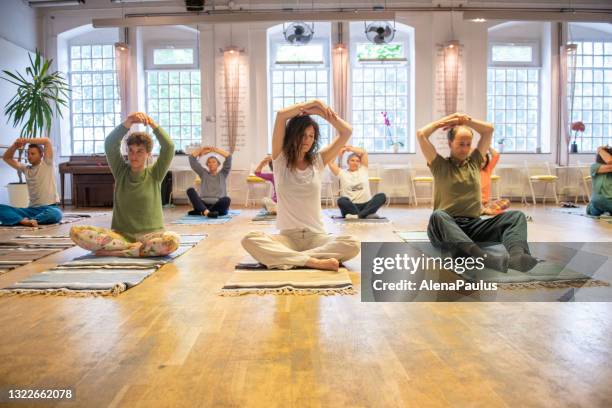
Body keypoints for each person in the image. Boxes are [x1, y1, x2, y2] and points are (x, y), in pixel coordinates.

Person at [241, 100, 360, 271]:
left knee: (352, 243)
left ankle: (293, 260)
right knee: (250, 239)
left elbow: (346, 131)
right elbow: (281, 115)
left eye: (311, 136)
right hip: (288, 238)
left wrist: (320, 114)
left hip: (316, 237)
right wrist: (314, 103)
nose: (307, 140)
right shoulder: (280, 160)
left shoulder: (318, 161)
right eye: (303, 135)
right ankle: (314, 262)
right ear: (293, 134)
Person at [417, 112, 537, 273]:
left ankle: (517, 256)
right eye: (460, 143)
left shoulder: (474, 162)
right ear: (450, 143)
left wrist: (467, 121)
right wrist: (443, 122)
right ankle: (481, 257)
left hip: (473, 226)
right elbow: (421, 134)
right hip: (446, 230)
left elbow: (488, 130)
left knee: (516, 217)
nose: (465, 148)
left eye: (468, 144)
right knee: (438, 215)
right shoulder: (439, 165)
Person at [70, 112, 180, 257]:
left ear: (148, 154)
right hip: (121, 237)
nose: (134, 156)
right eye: (131, 151)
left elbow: (169, 147)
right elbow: (110, 144)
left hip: (151, 236)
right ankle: (134, 250)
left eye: (140, 152)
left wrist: (153, 124)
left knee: (172, 241)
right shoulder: (121, 171)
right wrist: (128, 122)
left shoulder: (155, 174)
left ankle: (122, 252)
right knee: (77, 233)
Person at [1, 137, 62, 227]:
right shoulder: (26, 169)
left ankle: (28, 220)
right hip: (31, 210)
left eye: (33, 153)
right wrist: (15, 146)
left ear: (41, 155)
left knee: (56, 214)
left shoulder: (47, 164)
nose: (29, 156)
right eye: (28, 154)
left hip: (50, 207)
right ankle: (25, 221)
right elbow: (7, 158)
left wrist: (25, 140)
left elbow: (46, 141)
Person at [328, 145, 386, 219]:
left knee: (381, 196)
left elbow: (364, 152)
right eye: (352, 160)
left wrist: (350, 149)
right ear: (348, 162)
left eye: (357, 161)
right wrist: (338, 153)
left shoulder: (363, 169)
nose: (355, 163)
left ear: (359, 163)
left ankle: (358, 216)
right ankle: (365, 215)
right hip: (351, 206)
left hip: (366, 204)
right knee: (341, 200)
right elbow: (330, 163)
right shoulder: (342, 173)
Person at [186, 146, 232, 218]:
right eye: (209, 162)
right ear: (207, 165)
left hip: (218, 204)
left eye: (213, 162)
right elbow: (191, 158)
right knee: (190, 190)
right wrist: (202, 149)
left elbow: (229, 157)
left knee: (226, 200)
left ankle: (203, 212)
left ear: (218, 164)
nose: (211, 164)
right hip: (203, 204)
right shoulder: (203, 173)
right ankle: (207, 212)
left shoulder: (223, 174)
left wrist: (215, 150)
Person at [480, 146, 510, 215]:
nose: (482, 164)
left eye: (484, 162)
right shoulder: (471, 171)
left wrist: (487, 145)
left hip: (486, 204)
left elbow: (496, 156)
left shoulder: (487, 170)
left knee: (506, 202)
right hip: (475, 204)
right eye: (480, 161)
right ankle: (486, 211)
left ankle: (486, 211)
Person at [586, 145, 612, 216]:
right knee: (595, 209)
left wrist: (600, 150)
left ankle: (596, 209)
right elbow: (610, 160)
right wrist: (600, 150)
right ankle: (594, 208)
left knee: (595, 210)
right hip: (600, 200)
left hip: (599, 202)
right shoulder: (594, 167)